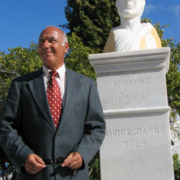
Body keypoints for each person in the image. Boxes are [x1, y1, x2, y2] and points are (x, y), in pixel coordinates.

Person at [0, 26, 106, 180]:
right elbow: (7, 127)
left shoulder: (86, 85)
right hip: (34, 176)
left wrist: (83, 153)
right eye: (41, 41)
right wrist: (23, 155)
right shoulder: (20, 85)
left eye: (52, 40)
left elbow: (97, 127)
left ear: (66, 47)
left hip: (74, 175)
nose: (45, 45)